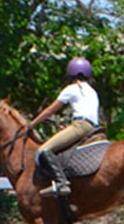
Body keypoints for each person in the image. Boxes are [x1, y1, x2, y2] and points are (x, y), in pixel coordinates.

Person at [29, 57, 101, 197]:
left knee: (43, 150)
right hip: (93, 128)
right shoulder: (92, 91)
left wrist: (32, 124)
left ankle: (62, 183)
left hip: (80, 126)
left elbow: (51, 110)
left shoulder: (72, 89)